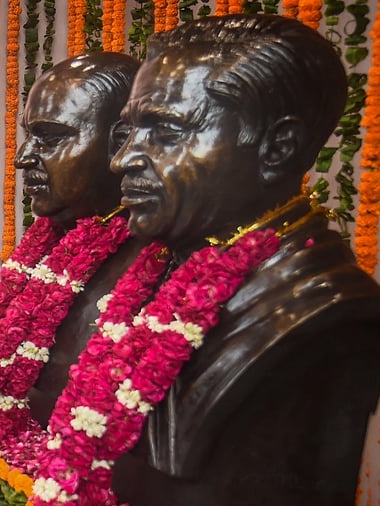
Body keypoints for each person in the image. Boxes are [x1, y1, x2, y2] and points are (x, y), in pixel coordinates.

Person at [102, 14, 380, 505]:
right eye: (129, 132)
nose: (122, 160)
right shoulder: (168, 267)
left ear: (278, 148)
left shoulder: (322, 311)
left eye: (165, 131)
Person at [0, 52, 145, 438]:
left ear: (121, 143)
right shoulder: (52, 243)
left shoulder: (159, 266)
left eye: (50, 137)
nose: (22, 158)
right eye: (29, 136)